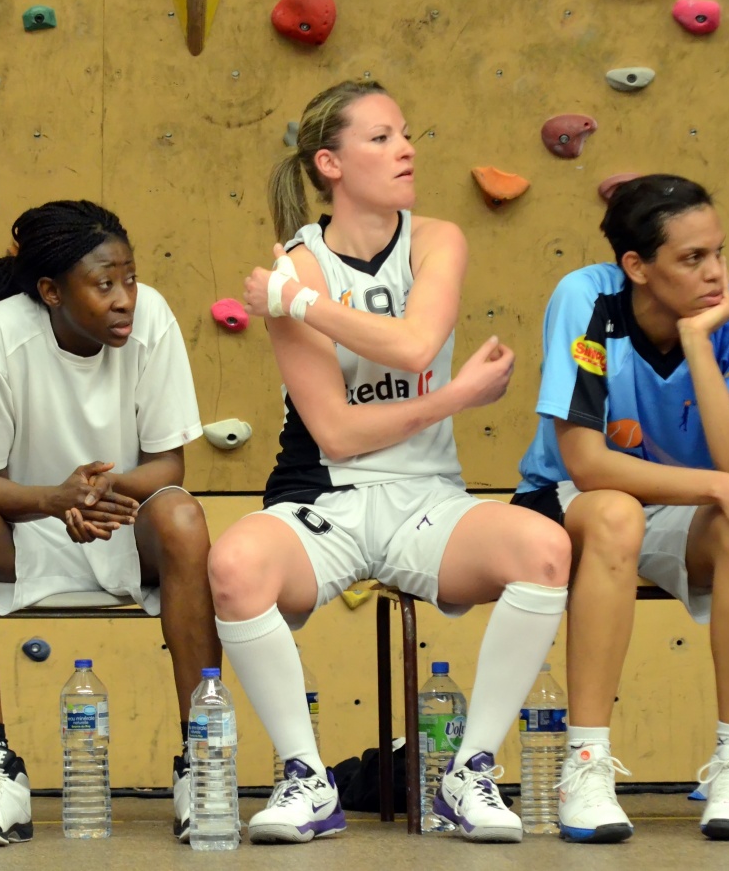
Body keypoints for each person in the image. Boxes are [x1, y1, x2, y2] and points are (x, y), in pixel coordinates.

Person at [208, 79, 571, 845]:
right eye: (380, 137)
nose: (405, 149)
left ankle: (470, 771)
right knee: (234, 565)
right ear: (330, 163)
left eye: (405, 133)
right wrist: (457, 395)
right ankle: (307, 779)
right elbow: (338, 433)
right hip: (325, 496)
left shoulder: (433, 240)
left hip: (426, 497)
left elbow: (413, 343)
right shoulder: (300, 263)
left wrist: (295, 303)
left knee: (545, 549)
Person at [512, 174, 729, 842]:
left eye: (719, 252)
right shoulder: (586, 298)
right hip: (573, 497)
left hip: (681, 503)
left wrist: (697, 342)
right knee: (618, 512)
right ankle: (585, 766)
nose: (716, 273)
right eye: (692, 258)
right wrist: (722, 488)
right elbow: (586, 462)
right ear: (637, 267)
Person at [0, 201, 220, 847]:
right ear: (51, 291)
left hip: (124, 524)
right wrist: (56, 499)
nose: (124, 299)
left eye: (130, 278)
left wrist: (100, 492)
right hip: (29, 529)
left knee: (182, 513)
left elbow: (168, 464)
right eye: (104, 283)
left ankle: (202, 764)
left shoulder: (153, 318)